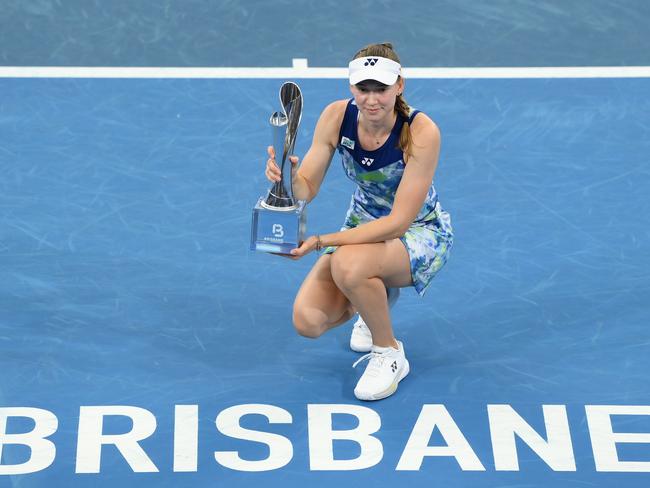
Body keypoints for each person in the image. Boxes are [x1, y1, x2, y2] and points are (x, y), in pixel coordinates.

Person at [264, 42, 453, 401]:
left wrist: (321, 242)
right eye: (363, 89)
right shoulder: (337, 116)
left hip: (419, 233)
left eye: (380, 88)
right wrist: (286, 178)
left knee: (349, 265)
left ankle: (388, 352)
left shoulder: (421, 131)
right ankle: (374, 296)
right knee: (309, 320)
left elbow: (398, 224)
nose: (371, 99)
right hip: (362, 226)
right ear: (351, 88)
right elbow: (306, 189)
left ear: (399, 85)